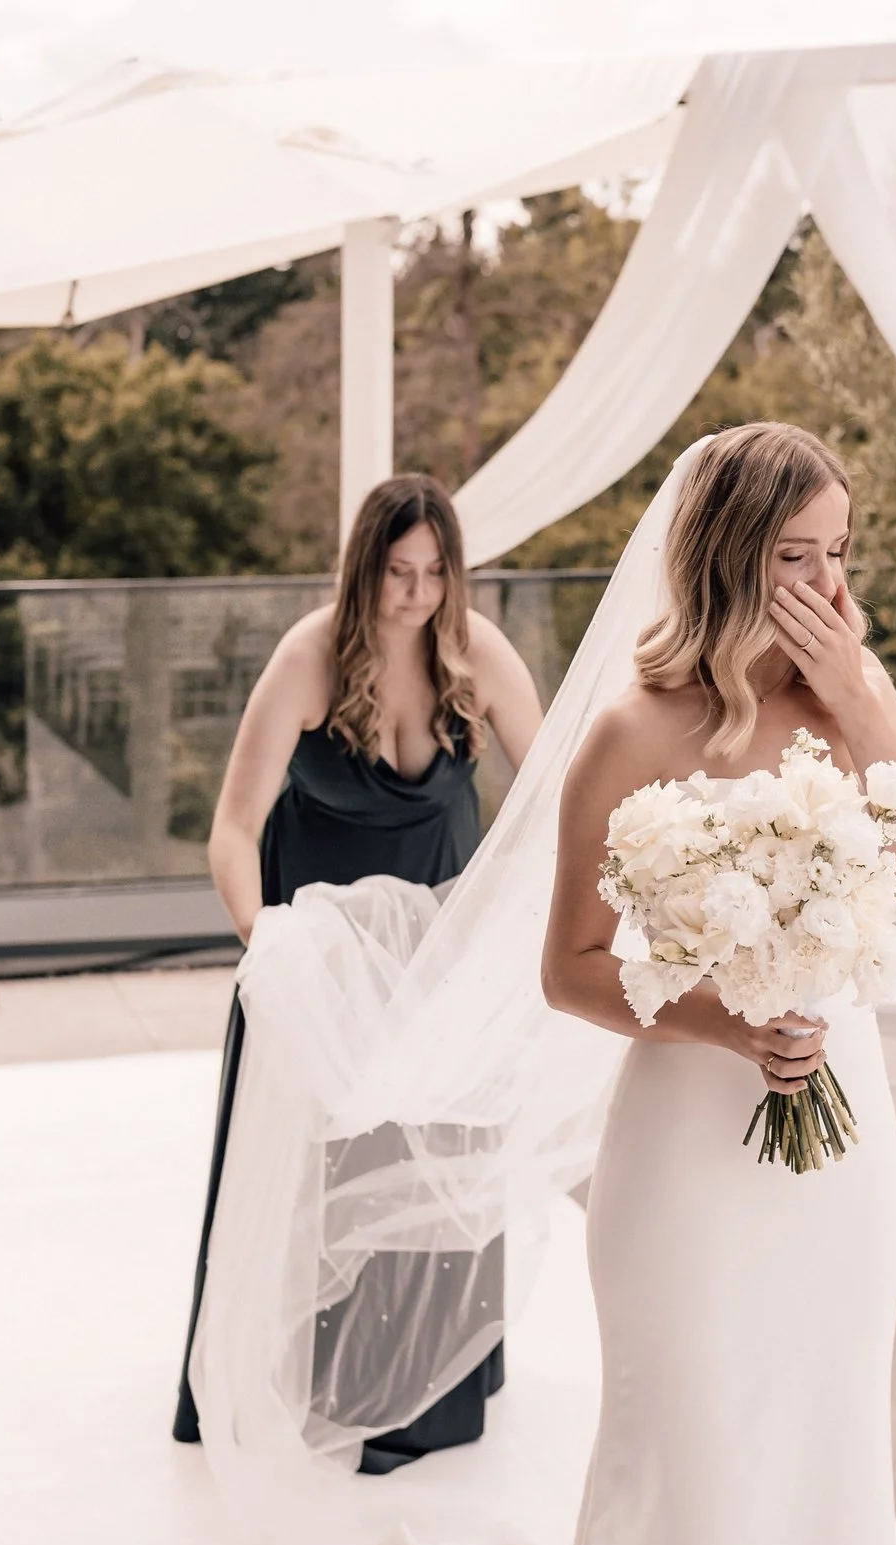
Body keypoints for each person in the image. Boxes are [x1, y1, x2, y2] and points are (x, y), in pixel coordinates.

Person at [529, 423, 896, 1545]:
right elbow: (566, 966)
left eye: (839, 551)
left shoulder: (852, 703)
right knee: (683, 1434)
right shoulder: (630, 730)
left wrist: (865, 708)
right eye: (796, 554)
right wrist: (726, 1018)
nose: (830, 586)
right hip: (683, 1142)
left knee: (823, 1431)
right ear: (728, 557)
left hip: (842, 1146)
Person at [173, 472, 544, 1472]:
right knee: (323, 1173)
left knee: (427, 1162)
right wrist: (267, 950)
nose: (415, 593)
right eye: (396, 572)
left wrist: (511, 911)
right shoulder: (307, 658)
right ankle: (311, 1376)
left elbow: (553, 790)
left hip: (436, 969)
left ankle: (422, 1390)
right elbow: (233, 828)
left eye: (433, 573)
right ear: (363, 567)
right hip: (322, 975)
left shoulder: (476, 650)